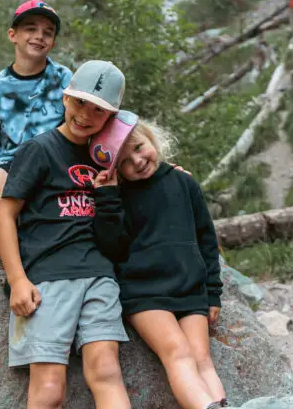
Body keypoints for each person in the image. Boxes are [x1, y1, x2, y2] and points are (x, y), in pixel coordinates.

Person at [0, 59, 131, 409]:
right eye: (81, 102)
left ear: (111, 117)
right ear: (65, 98)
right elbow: (5, 215)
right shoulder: (39, 149)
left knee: (106, 372)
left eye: (99, 110)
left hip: (99, 276)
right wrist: (17, 279)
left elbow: (117, 231)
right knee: (50, 388)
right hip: (48, 279)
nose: (86, 115)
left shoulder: (107, 161)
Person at [92, 120, 228, 409]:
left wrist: (213, 293)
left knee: (202, 358)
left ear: (151, 139)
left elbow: (206, 239)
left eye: (140, 148)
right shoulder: (119, 196)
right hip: (143, 292)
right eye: (126, 161)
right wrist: (106, 198)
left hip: (190, 287)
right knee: (177, 351)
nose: (138, 161)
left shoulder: (184, 182)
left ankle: (220, 404)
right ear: (115, 169)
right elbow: (112, 245)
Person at [0, 0, 72, 221]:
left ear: (53, 43)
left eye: (48, 32)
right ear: (12, 35)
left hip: (52, 163)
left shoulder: (64, 79)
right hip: (10, 164)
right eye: (31, 28)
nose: (39, 36)